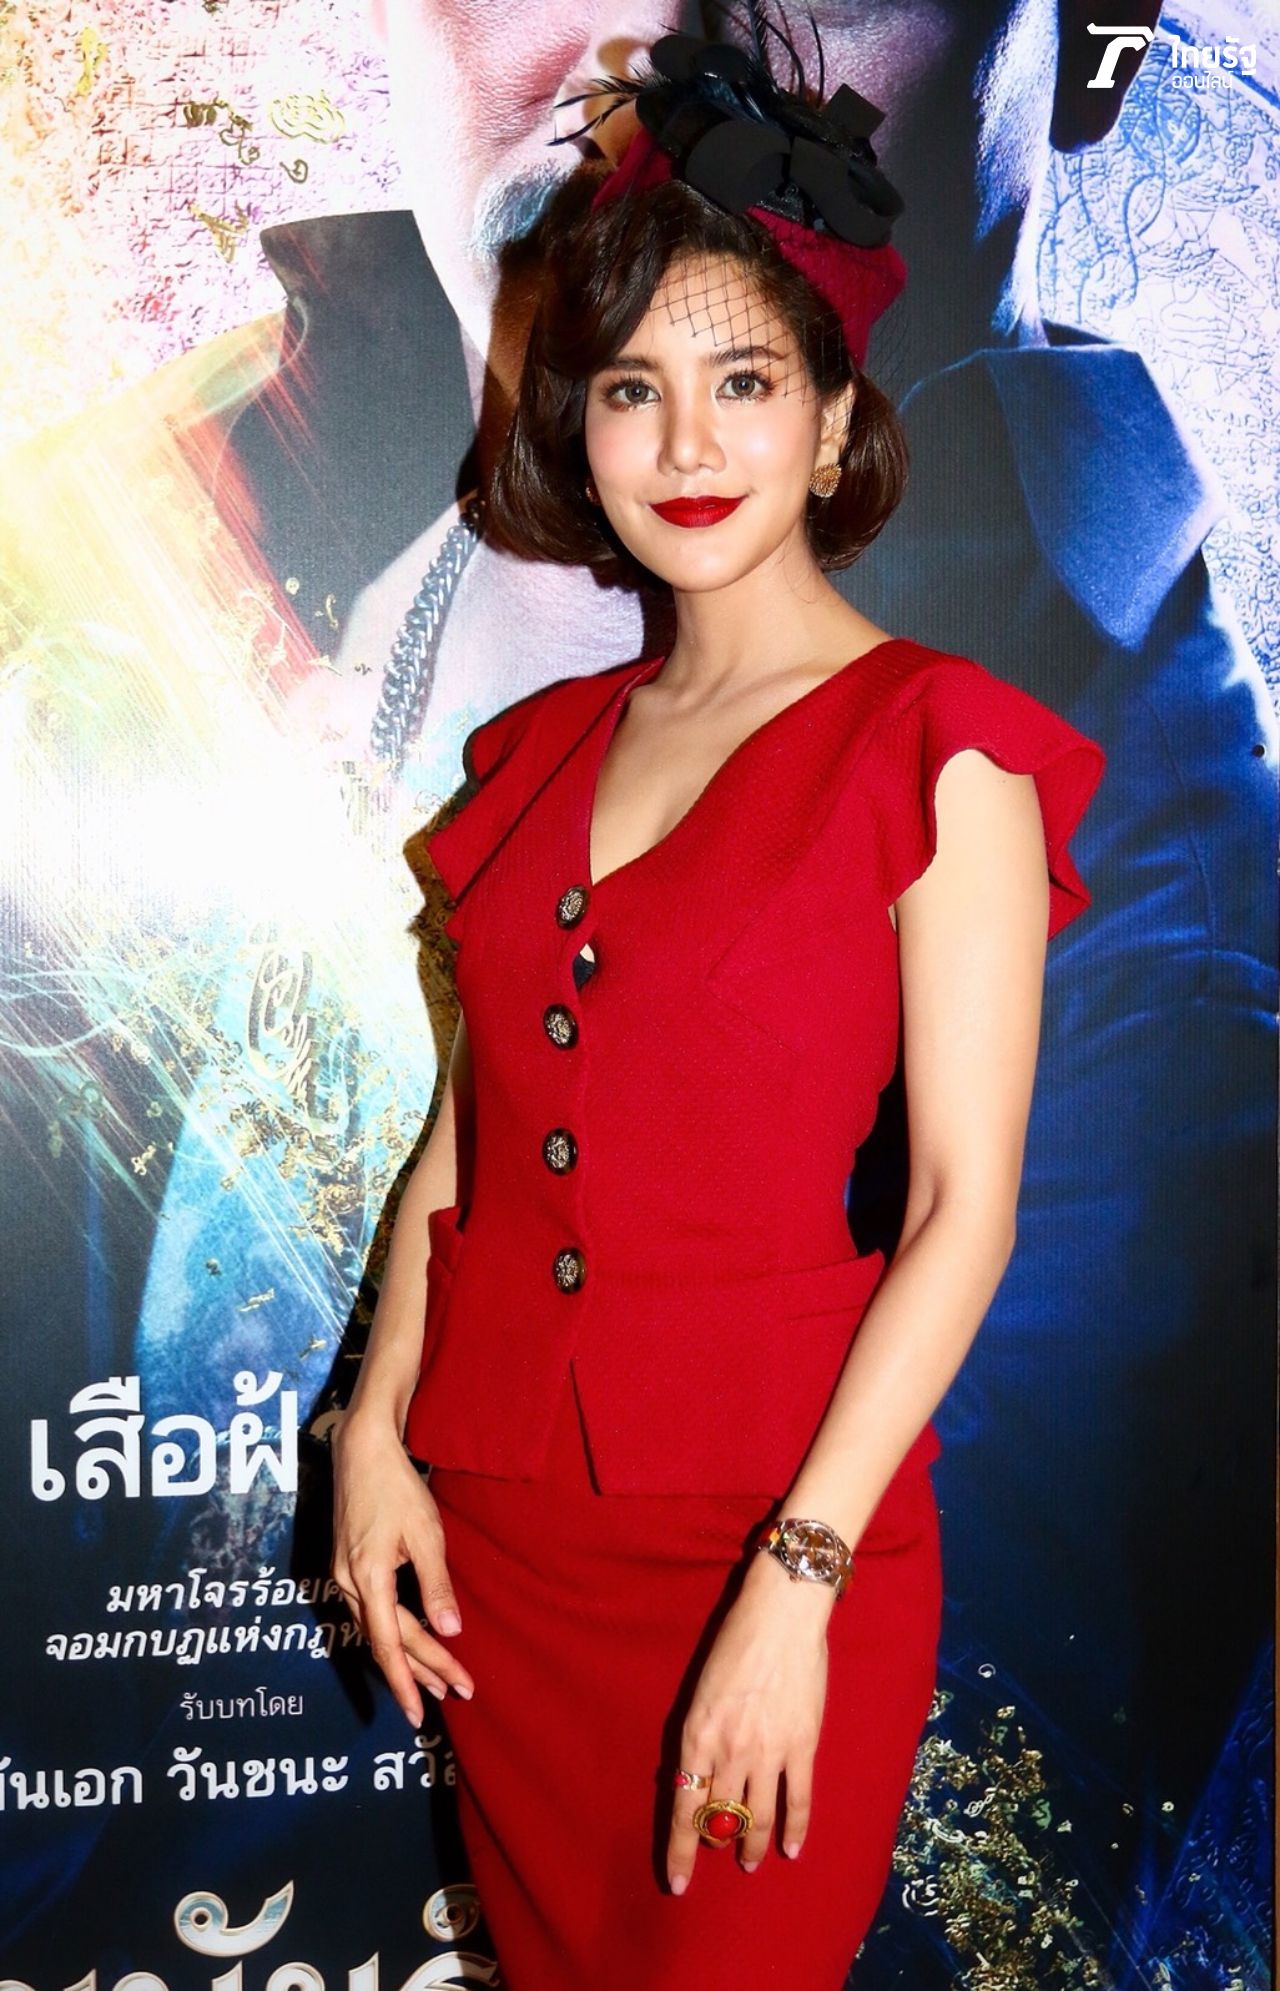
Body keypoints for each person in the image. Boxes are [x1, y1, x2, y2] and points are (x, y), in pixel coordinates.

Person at [329, 24, 1106, 1985]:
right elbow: (469, 1137)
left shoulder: (941, 750)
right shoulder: (529, 756)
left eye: (743, 382)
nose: (686, 446)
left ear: (832, 422)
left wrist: (800, 1580)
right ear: (579, 432)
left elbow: (962, 1214)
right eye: (633, 390)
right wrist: (375, 1431)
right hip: (507, 1541)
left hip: (776, 1530)